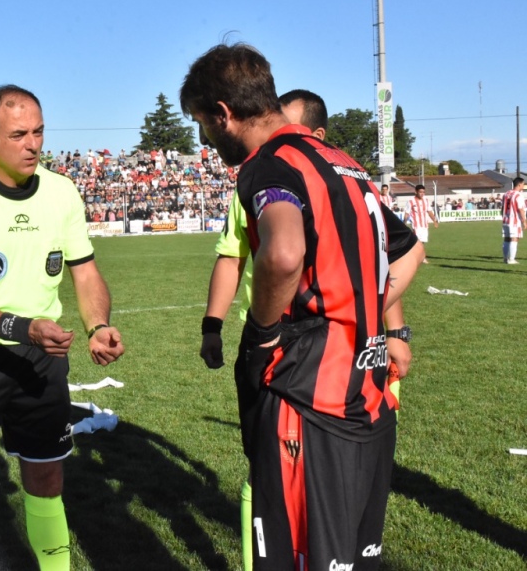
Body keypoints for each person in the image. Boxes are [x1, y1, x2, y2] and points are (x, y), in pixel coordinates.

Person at [180, 43, 423, 570]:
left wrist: (263, 334)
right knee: (354, 559)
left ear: (223, 113)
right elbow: (406, 249)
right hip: (370, 393)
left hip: (307, 401)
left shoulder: (269, 164)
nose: (203, 138)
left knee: (296, 557)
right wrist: (365, 312)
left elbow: (284, 253)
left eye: (202, 123)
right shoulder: (343, 163)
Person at [0, 85, 125, 571]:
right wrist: (24, 328)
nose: (33, 144)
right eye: (19, 134)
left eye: (38, 131)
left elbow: (86, 273)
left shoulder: (62, 192)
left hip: (42, 360)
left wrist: (98, 323)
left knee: (47, 477)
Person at [199, 88, 328, 571]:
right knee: (265, 468)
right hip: (269, 346)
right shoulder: (254, 184)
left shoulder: (334, 178)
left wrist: (392, 331)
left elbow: (392, 253)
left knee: (320, 474)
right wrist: (214, 326)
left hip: (317, 347)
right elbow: (231, 257)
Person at [404, 184, 438, 263]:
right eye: (420, 192)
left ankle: (420, 257)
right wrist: (404, 222)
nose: (422, 194)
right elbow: (407, 213)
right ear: (416, 192)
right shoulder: (411, 201)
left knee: (422, 242)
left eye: (423, 192)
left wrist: (434, 221)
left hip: (424, 225)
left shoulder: (426, 201)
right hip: (416, 225)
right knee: (417, 242)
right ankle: (418, 257)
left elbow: (429, 211)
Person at [502, 176, 526, 264]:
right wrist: (524, 221)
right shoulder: (518, 195)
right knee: (514, 238)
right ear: (519, 184)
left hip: (506, 219)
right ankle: (511, 259)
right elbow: (521, 209)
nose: (523, 185)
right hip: (514, 220)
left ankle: (505, 258)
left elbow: (502, 208)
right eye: (523, 184)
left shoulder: (506, 193)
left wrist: (504, 216)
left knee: (506, 239)